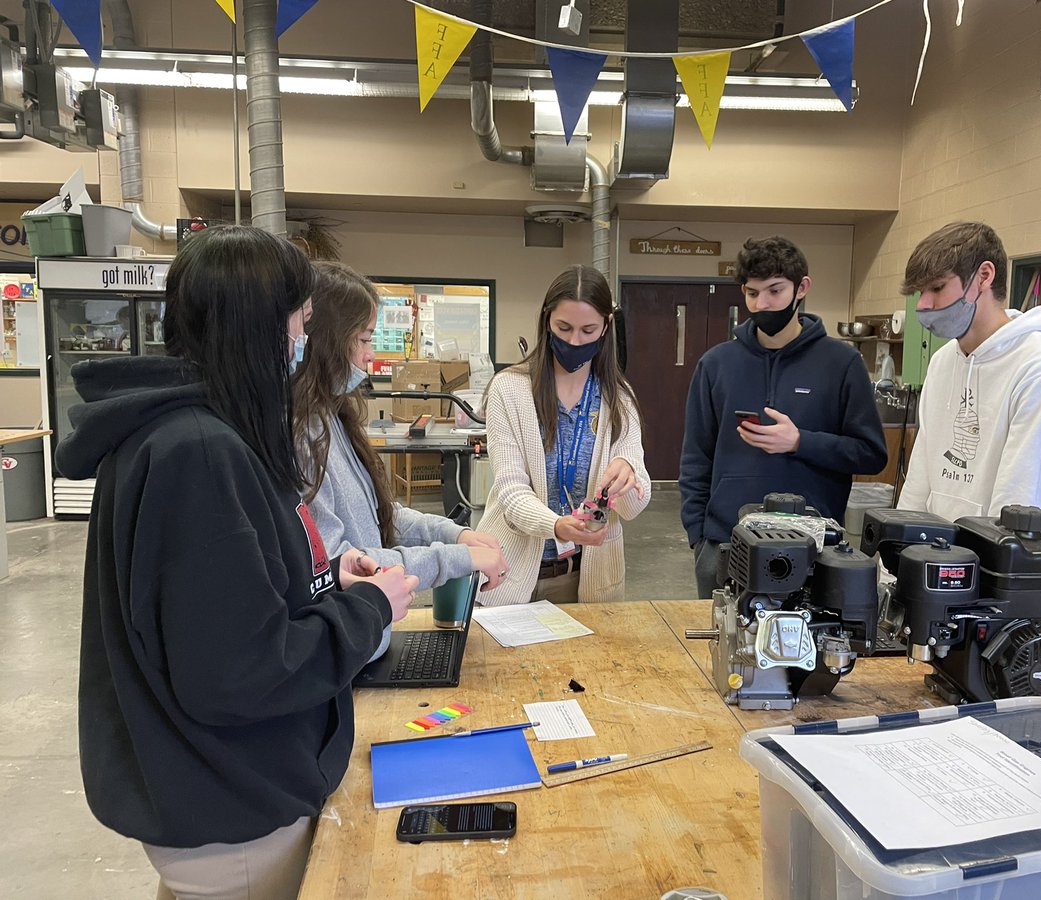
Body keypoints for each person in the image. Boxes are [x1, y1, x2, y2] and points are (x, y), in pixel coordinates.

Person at [55, 226, 420, 900]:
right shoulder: (197, 452)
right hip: (233, 806)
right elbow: (240, 673)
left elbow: (216, 608)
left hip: (214, 801)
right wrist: (369, 612)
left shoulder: (184, 435)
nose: (304, 344)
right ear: (263, 325)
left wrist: (323, 581)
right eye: (302, 323)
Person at [291, 262, 510, 642]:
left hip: (368, 642)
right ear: (325, 338)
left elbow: (381, 521)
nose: (370, 357)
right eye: (363, 340)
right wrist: (457, 559)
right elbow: (348, 564)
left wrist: (455, 536)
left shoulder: (332, 418)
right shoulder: (301, 437)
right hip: (346, 650)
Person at [680, 235, 888, 599]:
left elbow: (870, 453)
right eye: (751, 293)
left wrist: (800, 442)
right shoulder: (716, 365)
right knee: (722, 649)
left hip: (813, 546)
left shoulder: (842, 363)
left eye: (775, 291)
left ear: (801, 288)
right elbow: (696, 457)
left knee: (807, 653)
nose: (762, 304)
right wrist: (699, 536)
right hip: (724, 543)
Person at [896, 221, 1041, 533]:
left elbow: (1017, 503)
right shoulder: (943, 361)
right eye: (920, 292)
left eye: (936, 288)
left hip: (1023, 571)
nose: (923, 305)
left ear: (984, 277)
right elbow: (920, 479)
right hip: (952, 562)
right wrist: (897, 555)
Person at [475, 264, 651, 605]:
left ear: (606, 327)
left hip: (585, 578)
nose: (574, 341)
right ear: (546, 321)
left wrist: (628, 473)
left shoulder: (619, 397)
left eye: (588, 330)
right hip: (507, 574)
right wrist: (556, 525)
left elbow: (634, 507)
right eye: (564, 327)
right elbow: (511, 492)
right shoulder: (509, 389)